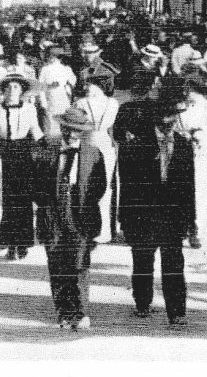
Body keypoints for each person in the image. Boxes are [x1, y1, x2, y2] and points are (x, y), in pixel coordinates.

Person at [115, 81, 193, 326]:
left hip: (172, 216)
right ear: (155, 118)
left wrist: (191, 220)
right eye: (164, 116)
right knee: (142, 262)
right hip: (142, 215)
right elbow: (125, 183)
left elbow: (189, 187)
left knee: (173, 263)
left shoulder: (183, 145)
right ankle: (142, 302)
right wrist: (124, 218)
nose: (169, 122)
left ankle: (177, 310)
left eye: (173, 116)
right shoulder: (135, 145)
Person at [33, 106, 105, 330]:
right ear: (62, 127)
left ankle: (81, 312)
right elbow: (34, 182)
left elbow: (100, 185)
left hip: (80, 213)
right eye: (68, 129)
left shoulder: (93, 153)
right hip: (53, 212)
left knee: (79, 263)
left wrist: (85, 203)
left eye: (77, 130)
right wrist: (46, 204)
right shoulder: (46, 148)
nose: (72, 134)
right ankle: (64, 312)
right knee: (57, 263)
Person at [0, 73, 44, 259]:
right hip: (3, 152)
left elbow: (36, 132)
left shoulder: (29, 109)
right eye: (8, 87)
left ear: (23, 91)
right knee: (7, 199)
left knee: (23, 198)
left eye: (16, 87)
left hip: (23, 153)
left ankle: (23, 242)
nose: (12, 91)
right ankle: (9, 242)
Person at [73, 68, 120, 244]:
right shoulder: (113, 103)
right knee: (105, 186)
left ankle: (87, 226)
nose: (87, 86)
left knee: (86, 185)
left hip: (87, 144)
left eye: (90, 83)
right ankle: (106, 229)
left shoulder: (81, 103)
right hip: (106, 144)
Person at [177, 78, 207, 248]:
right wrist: (184, 137)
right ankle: (183, 227)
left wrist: (204, 138)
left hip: (204, 153)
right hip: (183, 151)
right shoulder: (181, 106)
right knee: (183, 190)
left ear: (198, 90)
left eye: (188, 91)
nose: (186, 94)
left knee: (201, 191)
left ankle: (197, 230)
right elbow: (175, 127)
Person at [37, 47, 76, 140]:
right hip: (50, 99)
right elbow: (41, 87)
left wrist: (67, 88)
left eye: (56, 57)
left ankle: (65, 145)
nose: (52, 59)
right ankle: (53, 143)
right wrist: (43, 102)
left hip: (63, 99)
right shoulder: (45, 69)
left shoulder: (66, 69)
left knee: (64, 122)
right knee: (52, 123)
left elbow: (72, 82)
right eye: (51, 57)